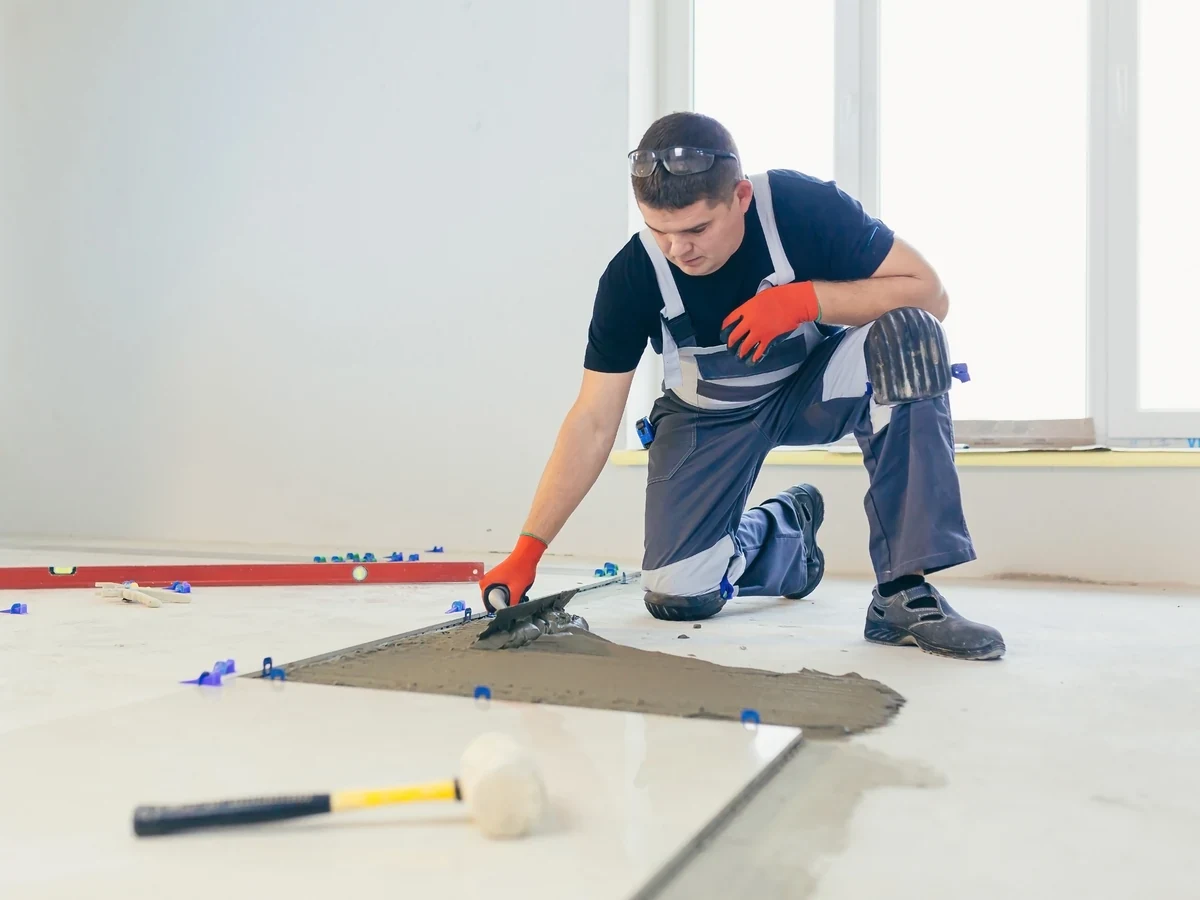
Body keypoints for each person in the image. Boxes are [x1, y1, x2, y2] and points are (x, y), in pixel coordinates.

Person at [478, 112, 1004, 661]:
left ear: (741, 197)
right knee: (677, 594)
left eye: (697, 229)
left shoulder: (801, 208)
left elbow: (930, 294)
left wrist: (804, 301)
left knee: (909, 332)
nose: (679, 250)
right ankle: (786, 534)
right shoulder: (631, 277)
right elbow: (592, 420)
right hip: (707, 419)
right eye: (661, 230)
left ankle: (903, 591)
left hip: (811, 391)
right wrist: (528, 549)